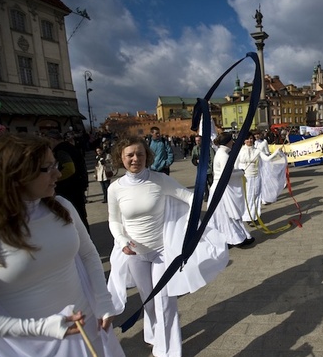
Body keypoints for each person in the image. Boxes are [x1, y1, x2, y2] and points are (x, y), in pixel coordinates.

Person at [0, 133, 123, 356]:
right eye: (47, 168)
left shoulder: (62, 206)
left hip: (85, 329)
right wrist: (42, 327)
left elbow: (88, 253)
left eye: (55, 163)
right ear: (15, 175)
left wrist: (103, 301)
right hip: (26, 346)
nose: (58, 172)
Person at [107, 136, 227, 357]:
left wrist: (194, 222)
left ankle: (168, 351)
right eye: (130, 155)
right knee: (149, 301)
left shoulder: (159, 180)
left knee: (165, 301)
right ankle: (153, 335)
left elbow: (189, 197)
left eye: (140, 154)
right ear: (120, 158)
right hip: (135, 254)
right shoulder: (115, 189)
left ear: (147, 155)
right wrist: (122, 241)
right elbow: (114, 220)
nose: (136, 159)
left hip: (162, 252)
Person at [209, 132, 255, 247]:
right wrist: (241, 172)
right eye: (231, 141)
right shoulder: (223, 155)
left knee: (226, 216)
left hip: (221, 189)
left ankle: (232, 238)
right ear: (228, 142)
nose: (233, 143)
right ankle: (235, 239)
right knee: (228, 215)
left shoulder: (221, 153)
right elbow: (227, 174)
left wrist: (238, 171)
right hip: (222, 190)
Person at [46, 130, 90, 231]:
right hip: (77, 186)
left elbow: (70, 168)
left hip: (69, 189)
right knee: (81, 216)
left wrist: (55, 179)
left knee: (75, 217)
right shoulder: (70, 147)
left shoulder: (61, 150)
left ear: (52, 139)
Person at [238, 134, 283, 225]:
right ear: (244, 140)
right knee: (247, 197)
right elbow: (236, 164)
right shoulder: (240, 151)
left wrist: (277, 152)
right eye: (247, 138)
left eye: (251, 138)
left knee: (255, 197)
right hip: (245, 178)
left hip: (256, 177)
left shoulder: (257, 151)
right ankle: (247, 217)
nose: (249, 140)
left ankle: (254, 216)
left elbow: (267, 158)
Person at [191, 134, 215, 202]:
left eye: (199, 140)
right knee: (203, 184)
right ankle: (206, 195)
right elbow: (193, 158)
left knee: (211, 183)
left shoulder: (208, 147)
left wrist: (212, 166)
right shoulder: (195, 148)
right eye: (196, 141)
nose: (197, 142)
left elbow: (212, 157)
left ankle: (214, 195)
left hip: (208, 169)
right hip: (201, 170)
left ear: (201, 140)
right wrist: (196, 161)